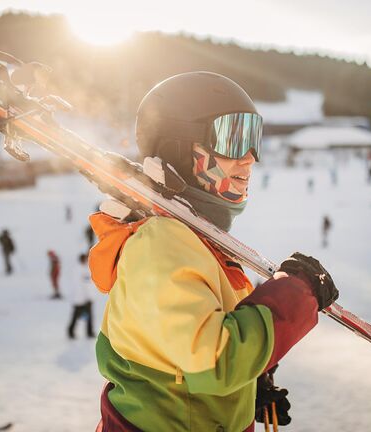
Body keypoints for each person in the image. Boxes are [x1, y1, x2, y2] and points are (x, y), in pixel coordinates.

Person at [88, 72, 338, 431]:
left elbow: (187, 362)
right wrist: (295, 294)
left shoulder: (197, 240)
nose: (250, 159)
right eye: (234, 139)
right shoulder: (160, 244)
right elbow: (213, 361)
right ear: (180, 147)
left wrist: (245, 388)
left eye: (253, 140)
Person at [67, 254, 94, 339]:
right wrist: (85, 297)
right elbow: (78, 286)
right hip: (80, 298)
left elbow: (89, 285)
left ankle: (89, 332)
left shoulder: (85, 269)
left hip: (86, 298)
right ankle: (71, 332)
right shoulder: (78, 270)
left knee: (89, 316)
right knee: (75, 316)